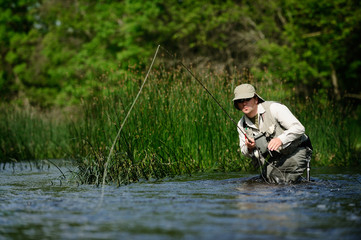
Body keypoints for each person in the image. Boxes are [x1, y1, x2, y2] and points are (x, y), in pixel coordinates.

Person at [233, 83, 313, 183]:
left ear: (256, 99)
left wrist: (280, 139)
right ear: (237, 104)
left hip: (298, 149)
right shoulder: (241, 124)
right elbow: (244, 151)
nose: (244, 103)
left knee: (277, 180)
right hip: (275, 156)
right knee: (262, 181)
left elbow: (299, 128)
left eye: (247, 99)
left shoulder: (274, 108)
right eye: (240, 101)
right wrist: (249, 147)